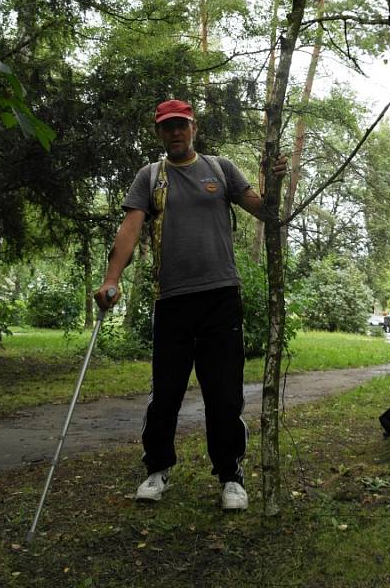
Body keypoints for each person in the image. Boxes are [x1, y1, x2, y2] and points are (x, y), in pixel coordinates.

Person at [95, 99, 286, 511]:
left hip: (221, 297)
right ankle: (157, 468)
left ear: (193, 127)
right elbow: (129, 230)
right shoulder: (150, 177)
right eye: (168, 127)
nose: (176, 133)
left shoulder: (220, 169)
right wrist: (112, 279)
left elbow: (264, 210)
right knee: (166, 393)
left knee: (224, 394)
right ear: (158, 132)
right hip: (172, 300)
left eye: (181, 125)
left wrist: (274, 182)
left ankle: (230, 477)